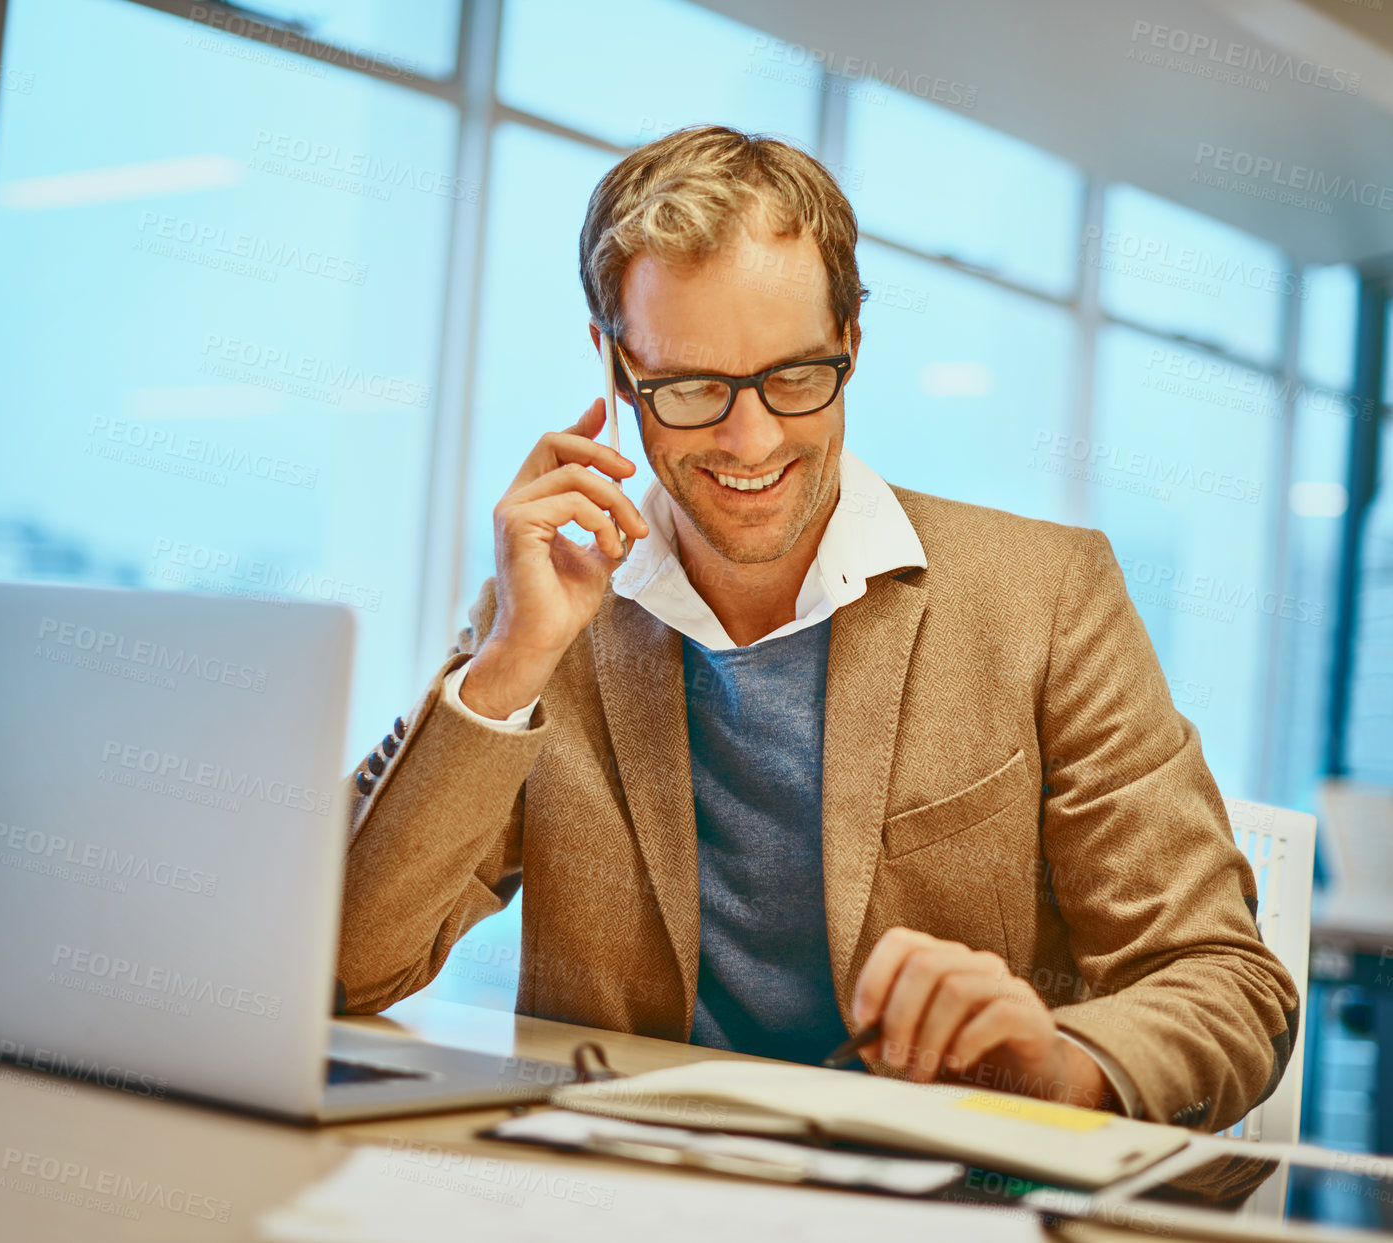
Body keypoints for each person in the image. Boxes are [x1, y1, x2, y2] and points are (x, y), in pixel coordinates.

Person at [336, 124, 1296, 1130]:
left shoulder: (1045, 597)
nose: (749, 440)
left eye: (794, 376)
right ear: (617, 370)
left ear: (849, 343)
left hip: (948, 1206)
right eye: (693, 387)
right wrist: (508, 666)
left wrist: (1055, 1067)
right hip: (625, 1192)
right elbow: (341, 966)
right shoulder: (543, 613)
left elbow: (1226, 986)